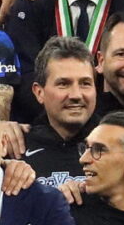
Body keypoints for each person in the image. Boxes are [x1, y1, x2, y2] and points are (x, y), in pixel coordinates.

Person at [21, 38, 104, 187]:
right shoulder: (17, 148)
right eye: (63, 84)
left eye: (85, 83)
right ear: (39, 92)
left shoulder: (118, 148)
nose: (76, 95)